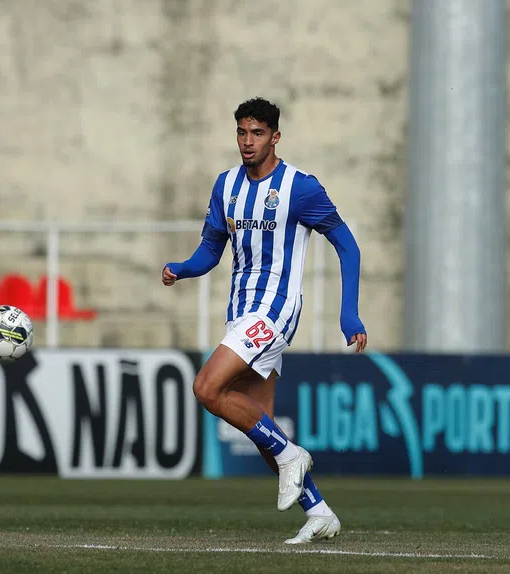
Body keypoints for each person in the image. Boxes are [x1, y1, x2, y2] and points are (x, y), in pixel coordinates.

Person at [162, 97, 367, 544]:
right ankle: (319, 512)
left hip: (275, 311)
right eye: (241, 132)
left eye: (257, 133)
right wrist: (182, 267)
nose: (247, 141)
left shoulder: (300, 187)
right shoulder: (226, 186)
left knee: (206, 388)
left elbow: (347, 245)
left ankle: (294, 455)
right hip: (241, 313)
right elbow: (210, 251)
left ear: (275, 136)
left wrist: (348, 311)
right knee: (260, 425)